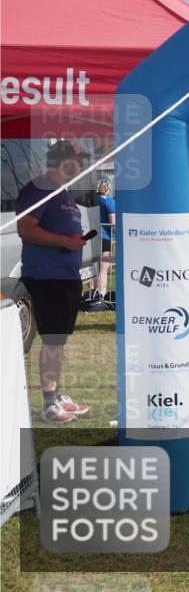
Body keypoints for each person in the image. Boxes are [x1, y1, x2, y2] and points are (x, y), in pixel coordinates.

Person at [15, 141, 92, 423]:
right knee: (52, 341)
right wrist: (66, 242)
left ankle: (56, 394)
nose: (81, 165)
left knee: (58, 341)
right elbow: (25, 228)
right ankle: (49, 404)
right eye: (77, 159)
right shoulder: (39, 189)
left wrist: (74, 243)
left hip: (65, 278)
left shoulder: (64, 193)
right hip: (46, 278)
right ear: (61, 161)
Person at [95, 178, 115, 300]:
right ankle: (101, 294)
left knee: (93, 268)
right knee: (104, 268)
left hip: (92, 236)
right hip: (104, 236)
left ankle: (93, 292)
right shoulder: (109, 201)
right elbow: (113, 223)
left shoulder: (93, 200)